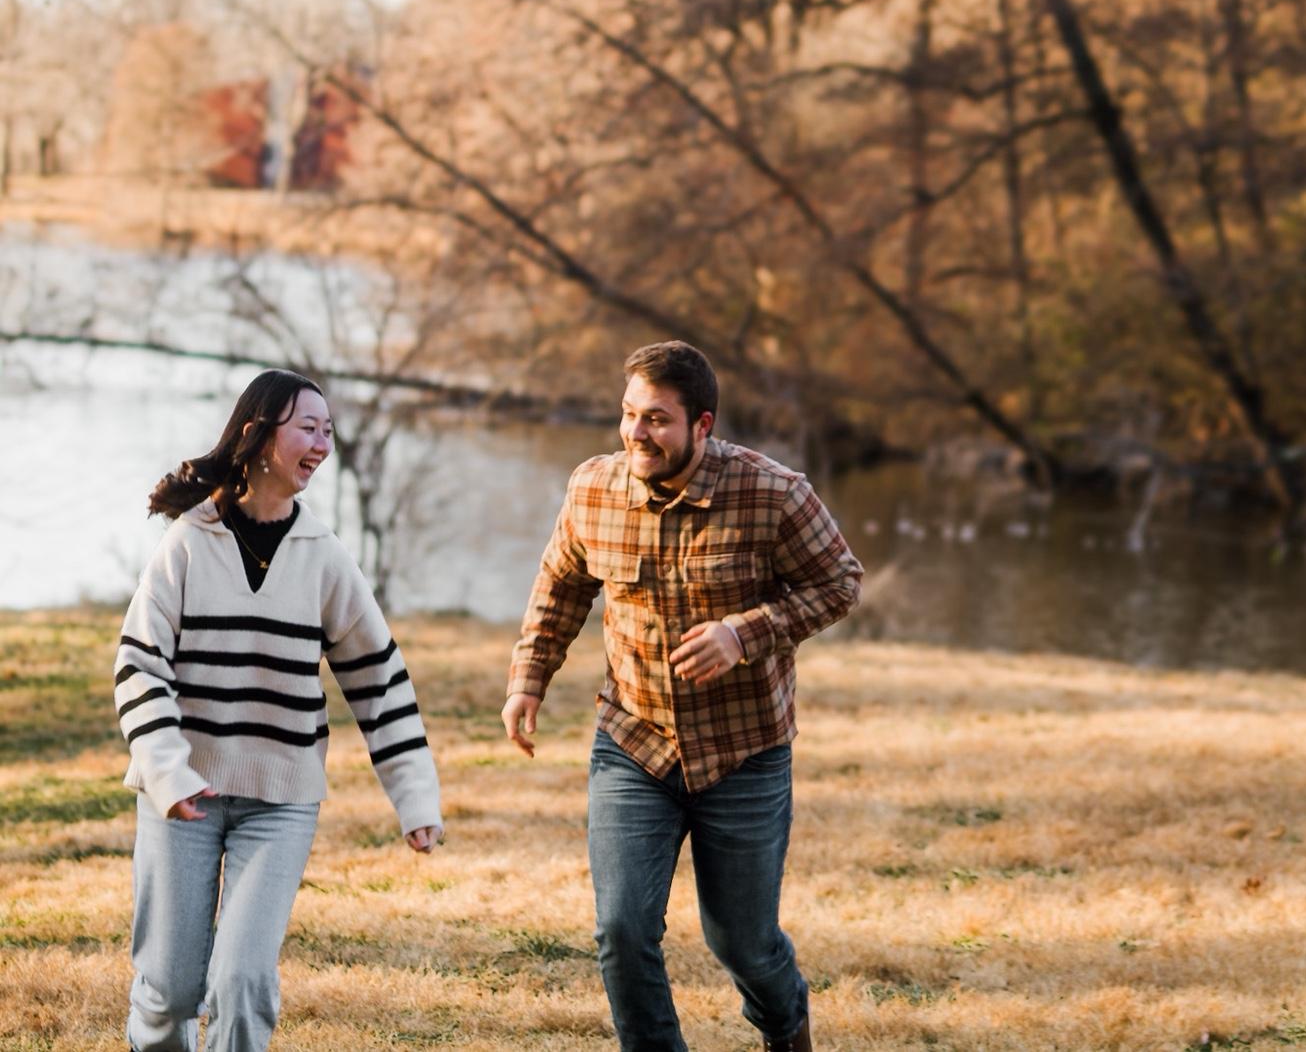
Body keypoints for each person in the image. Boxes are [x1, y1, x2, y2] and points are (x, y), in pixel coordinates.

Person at [502, 341, 862, 1052]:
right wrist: (528, 679)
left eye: (657, 420)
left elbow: (840, 583)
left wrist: (744, 633)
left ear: (702, 425)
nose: (637, 434)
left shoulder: (773, 493)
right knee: (622, 930)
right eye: (629, 415)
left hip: (743, 753)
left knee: (743, 944)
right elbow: (561, 587)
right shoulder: (594, 488)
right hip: (634, 743)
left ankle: (786, 1023)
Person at [114, 368, 443, 1052]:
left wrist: (415, 798)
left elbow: (379, 680)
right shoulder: (187, 543)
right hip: (182, 796)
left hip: (281, 801)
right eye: (308, 428)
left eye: (329, 431)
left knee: (242, 982)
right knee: (170, 987)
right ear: (260, 436)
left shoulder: (324, 558)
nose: (322, 444)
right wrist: (168, 771)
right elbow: (139, 665)